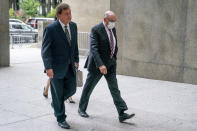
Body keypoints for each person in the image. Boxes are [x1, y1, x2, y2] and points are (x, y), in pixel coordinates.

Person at [78, 11, 135, 123]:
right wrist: (100, 65)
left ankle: (121, 112)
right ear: (105, 20)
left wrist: (113, 59)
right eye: (112, 21)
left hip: (111, 64)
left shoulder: (112, 28)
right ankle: (81, 109)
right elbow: (94, 49)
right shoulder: (96, 29)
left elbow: (113, 43)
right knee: (89, 88)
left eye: (115, 21)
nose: (114, 24)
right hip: (97, 65)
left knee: (114, 89)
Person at [41, 3, 79, 129]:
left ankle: (56, 103)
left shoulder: (73, 26)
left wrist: (76, 59)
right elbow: (45, 50)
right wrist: (48, 67)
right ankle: (61, 118)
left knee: (72, 89)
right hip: (56, 68)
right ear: (58, 15)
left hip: (70, 66)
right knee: (57, 93)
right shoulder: (51, 29)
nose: (69, 16)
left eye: (70, 13)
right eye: (66, 14)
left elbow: (75, 45)